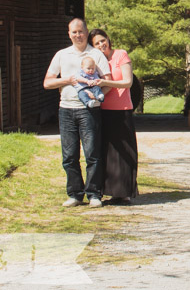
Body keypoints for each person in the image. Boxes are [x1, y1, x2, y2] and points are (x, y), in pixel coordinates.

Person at [44, 18, 110, 208]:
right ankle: (75, 194)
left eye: (81, 31)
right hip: (66, 109)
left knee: (92, 153)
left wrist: (97, 98)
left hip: (89, 110)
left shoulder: (96, 55)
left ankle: (94, 194)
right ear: (69, 34)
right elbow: (48, 82)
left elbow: (108, 81)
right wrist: (67, 80)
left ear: (86, 32)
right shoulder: (62, 55)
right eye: (74, 32)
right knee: (69, 155)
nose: (78, 35)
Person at [88, 28, 138, 204]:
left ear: (108, 39)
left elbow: (127, 82)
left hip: (121, 110)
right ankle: (107, 190)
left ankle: (123, 191)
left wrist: (105, 82)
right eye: (97, 43)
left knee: (124, 153)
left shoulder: (120, 55)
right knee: (106, 152)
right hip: (101, 110)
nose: (102, 45)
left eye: (103, 40)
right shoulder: (94, 60)